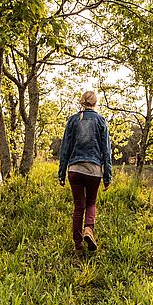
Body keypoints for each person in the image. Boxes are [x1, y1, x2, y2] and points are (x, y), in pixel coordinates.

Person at [58, 90, 113, 254]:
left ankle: (78, 246)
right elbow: (106, 151)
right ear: (95, 103)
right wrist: (107, 176)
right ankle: (88, 229)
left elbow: (65, 148)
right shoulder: (101, 121)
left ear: (82, 102)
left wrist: (61, 173)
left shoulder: (73, 120)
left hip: (74, 169)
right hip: (94, 169)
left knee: (78, 207)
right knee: (90, 203)